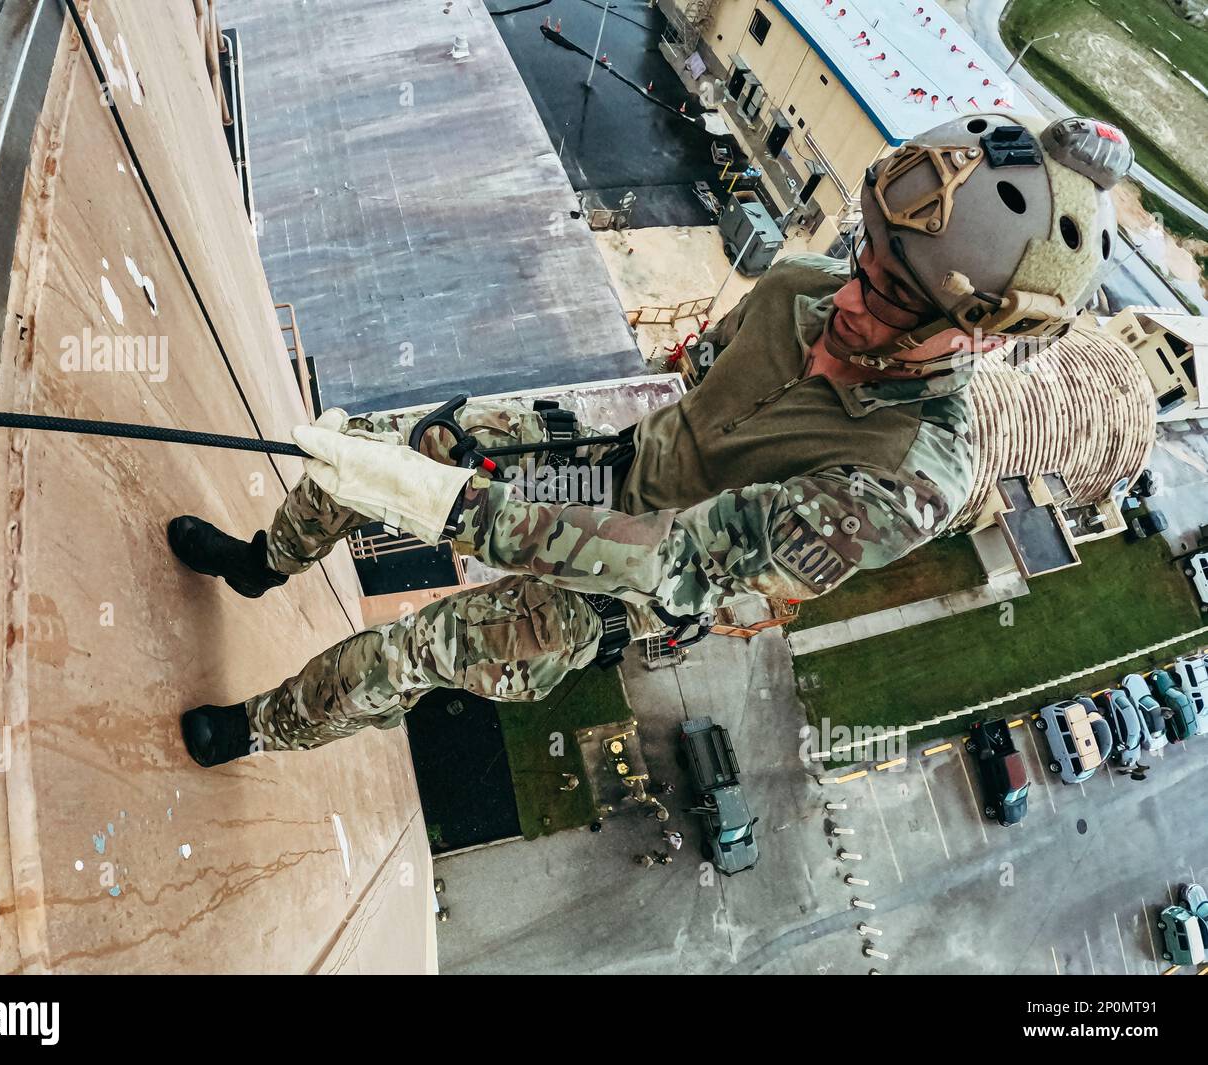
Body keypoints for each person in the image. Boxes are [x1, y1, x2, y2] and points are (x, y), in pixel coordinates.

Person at [170, 114, 1132, 767]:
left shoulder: (906, 478)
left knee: (412, 651)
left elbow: (673, 561)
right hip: (622, 468)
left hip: (648, 585)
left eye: (882, 294)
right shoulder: (803, 285)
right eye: (863, 255)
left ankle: (264, 728)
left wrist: (451, 507)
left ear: (969, 335)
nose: (844, 292)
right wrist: (440, 470)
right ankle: (264, 562)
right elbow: (702, 373)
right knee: (394, 445)